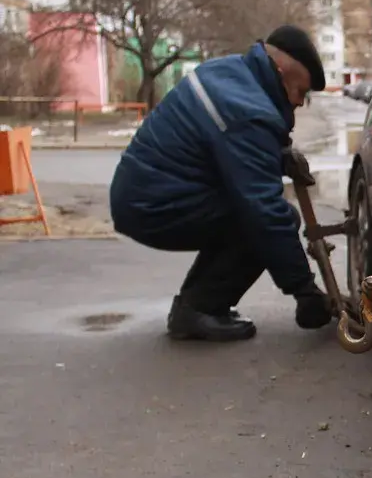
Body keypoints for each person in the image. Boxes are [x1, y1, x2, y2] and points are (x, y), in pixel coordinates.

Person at [108, 26, 335, 342]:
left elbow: (217, 144)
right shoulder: (249, 114)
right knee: (263, 219)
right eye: (299, 92)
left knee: (252, 215)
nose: (298, 104)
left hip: (143, 193)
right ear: (281, 74)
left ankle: (195, 305)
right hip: (153, 205)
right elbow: (264, 210)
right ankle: (199, 309)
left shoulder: (226, 70)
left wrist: (277, 154)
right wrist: (304, 291)